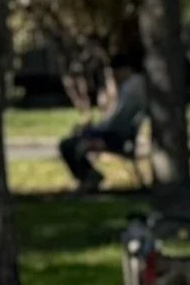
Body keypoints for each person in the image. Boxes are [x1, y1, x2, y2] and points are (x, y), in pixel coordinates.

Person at [59, 58, 148, 193]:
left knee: (68, 145)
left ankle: (89, 178)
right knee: (73, 141)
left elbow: (118, 120)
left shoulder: (132, 88)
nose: (114, 77)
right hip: (113, 132)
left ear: (124, 70)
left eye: (114, 73)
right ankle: (90, 177)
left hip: (114, 136)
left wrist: (93, 129)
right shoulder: (130, 86)